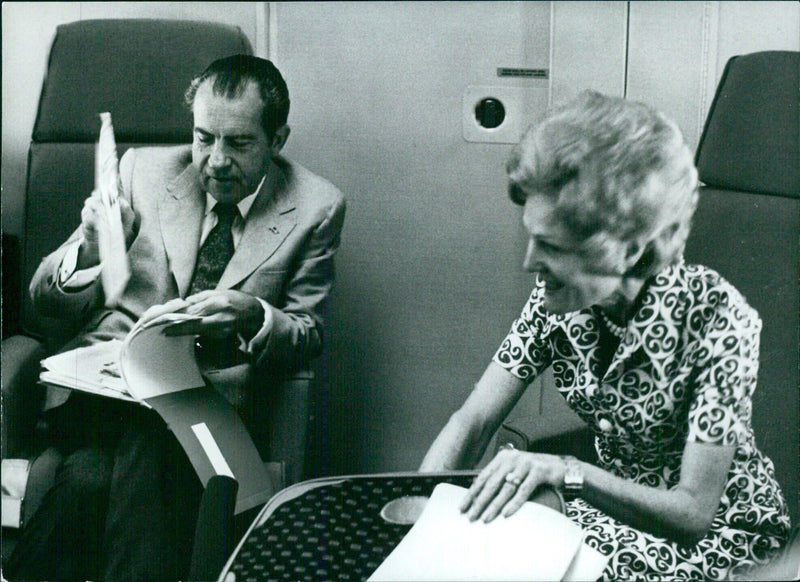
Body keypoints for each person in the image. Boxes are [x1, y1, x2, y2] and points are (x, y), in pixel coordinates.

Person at [420, 90, 789, 580]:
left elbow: (694, 514)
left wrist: (567, 472)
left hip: (720, 537)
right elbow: (473, 420)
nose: (529, 262)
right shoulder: (557, 298)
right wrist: (422, 513)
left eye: (550, 245)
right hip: (612, 514)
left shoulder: (720, 319)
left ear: (628, 250)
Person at [6, 54, 346, 581]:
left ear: (278, 140)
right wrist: (92, 251)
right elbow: (42, 307)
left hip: (210, 409)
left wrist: (252, 314)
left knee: (91, 477)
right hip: (104, 396)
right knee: (141, 444)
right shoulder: (142, 169)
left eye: (239, 143)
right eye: (204, 137)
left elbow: (307, 334)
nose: (215, 160)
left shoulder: (315, 206)